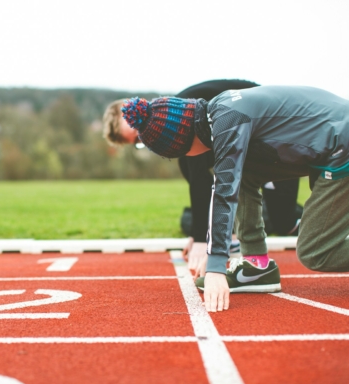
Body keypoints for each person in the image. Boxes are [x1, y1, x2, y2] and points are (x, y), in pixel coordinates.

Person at [121, 86, 349, 312]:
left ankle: (256, 263)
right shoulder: (220, 109)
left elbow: (224, 192)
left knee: (315, 251)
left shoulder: (228, 124)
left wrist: (216, 268)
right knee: (245, 172)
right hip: (332, 138)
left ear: (182, 145)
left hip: (341, 145)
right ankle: (256, 264)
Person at [102, 80, 302, 278]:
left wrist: (200, 239)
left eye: (139, 135)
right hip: (252, 145)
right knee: (194, 205)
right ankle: (237, 228)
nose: (144, 139)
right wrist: (198, 232)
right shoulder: (178, 117)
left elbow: (201, 180)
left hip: (280, 135)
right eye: (138, 142)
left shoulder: (177, 115)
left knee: (284, 220)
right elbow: (202, 180)